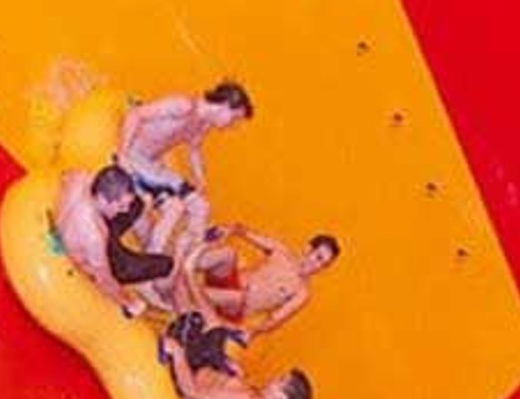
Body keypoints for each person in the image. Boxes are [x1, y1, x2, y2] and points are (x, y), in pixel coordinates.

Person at [115, 81, 253, 247]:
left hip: (152, 165)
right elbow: (136, 115)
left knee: (201, 206)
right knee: (175, 208)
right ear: (225, 105)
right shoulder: (183, 105)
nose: (232, 125)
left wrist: (201, 180)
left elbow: (194, 151)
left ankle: (191, 254)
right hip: (134, 156)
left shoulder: (203, 124)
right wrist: (123, 153)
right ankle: (155, 257)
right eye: (234, 118)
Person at [158, 313, 313, 399]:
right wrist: (236, 377)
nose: (273, 379)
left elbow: (191, 392)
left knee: (193, 319)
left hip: (189, 381)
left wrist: (177, 352)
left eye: (280, 381)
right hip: (208, 376)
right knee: (219, 333)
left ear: (281, 397)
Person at [53, 165, 173, 315]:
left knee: (137, 204)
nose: (125, 210)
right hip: (100, 258)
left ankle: (150, 245)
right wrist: (131, 303)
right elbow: (104, 280)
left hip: (84, 221)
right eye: (121, 206)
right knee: (166, 264)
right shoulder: (94, 236)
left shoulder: (80, 179)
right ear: (102, 198)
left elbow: (66, 176)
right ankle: (152, 269)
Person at [181, 226, 339, 336]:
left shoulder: (302, 292)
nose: (317, 265)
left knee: (239, 297)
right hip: (228, 282)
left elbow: (274, 320)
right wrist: (228, 229)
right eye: (318, 257)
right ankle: (181, 265)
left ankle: (182, 292)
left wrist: (249, 331)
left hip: (234, 309)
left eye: (323, 264)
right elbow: (244, 232)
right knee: (228, 254)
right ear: (308, 249)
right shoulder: (281, 252)